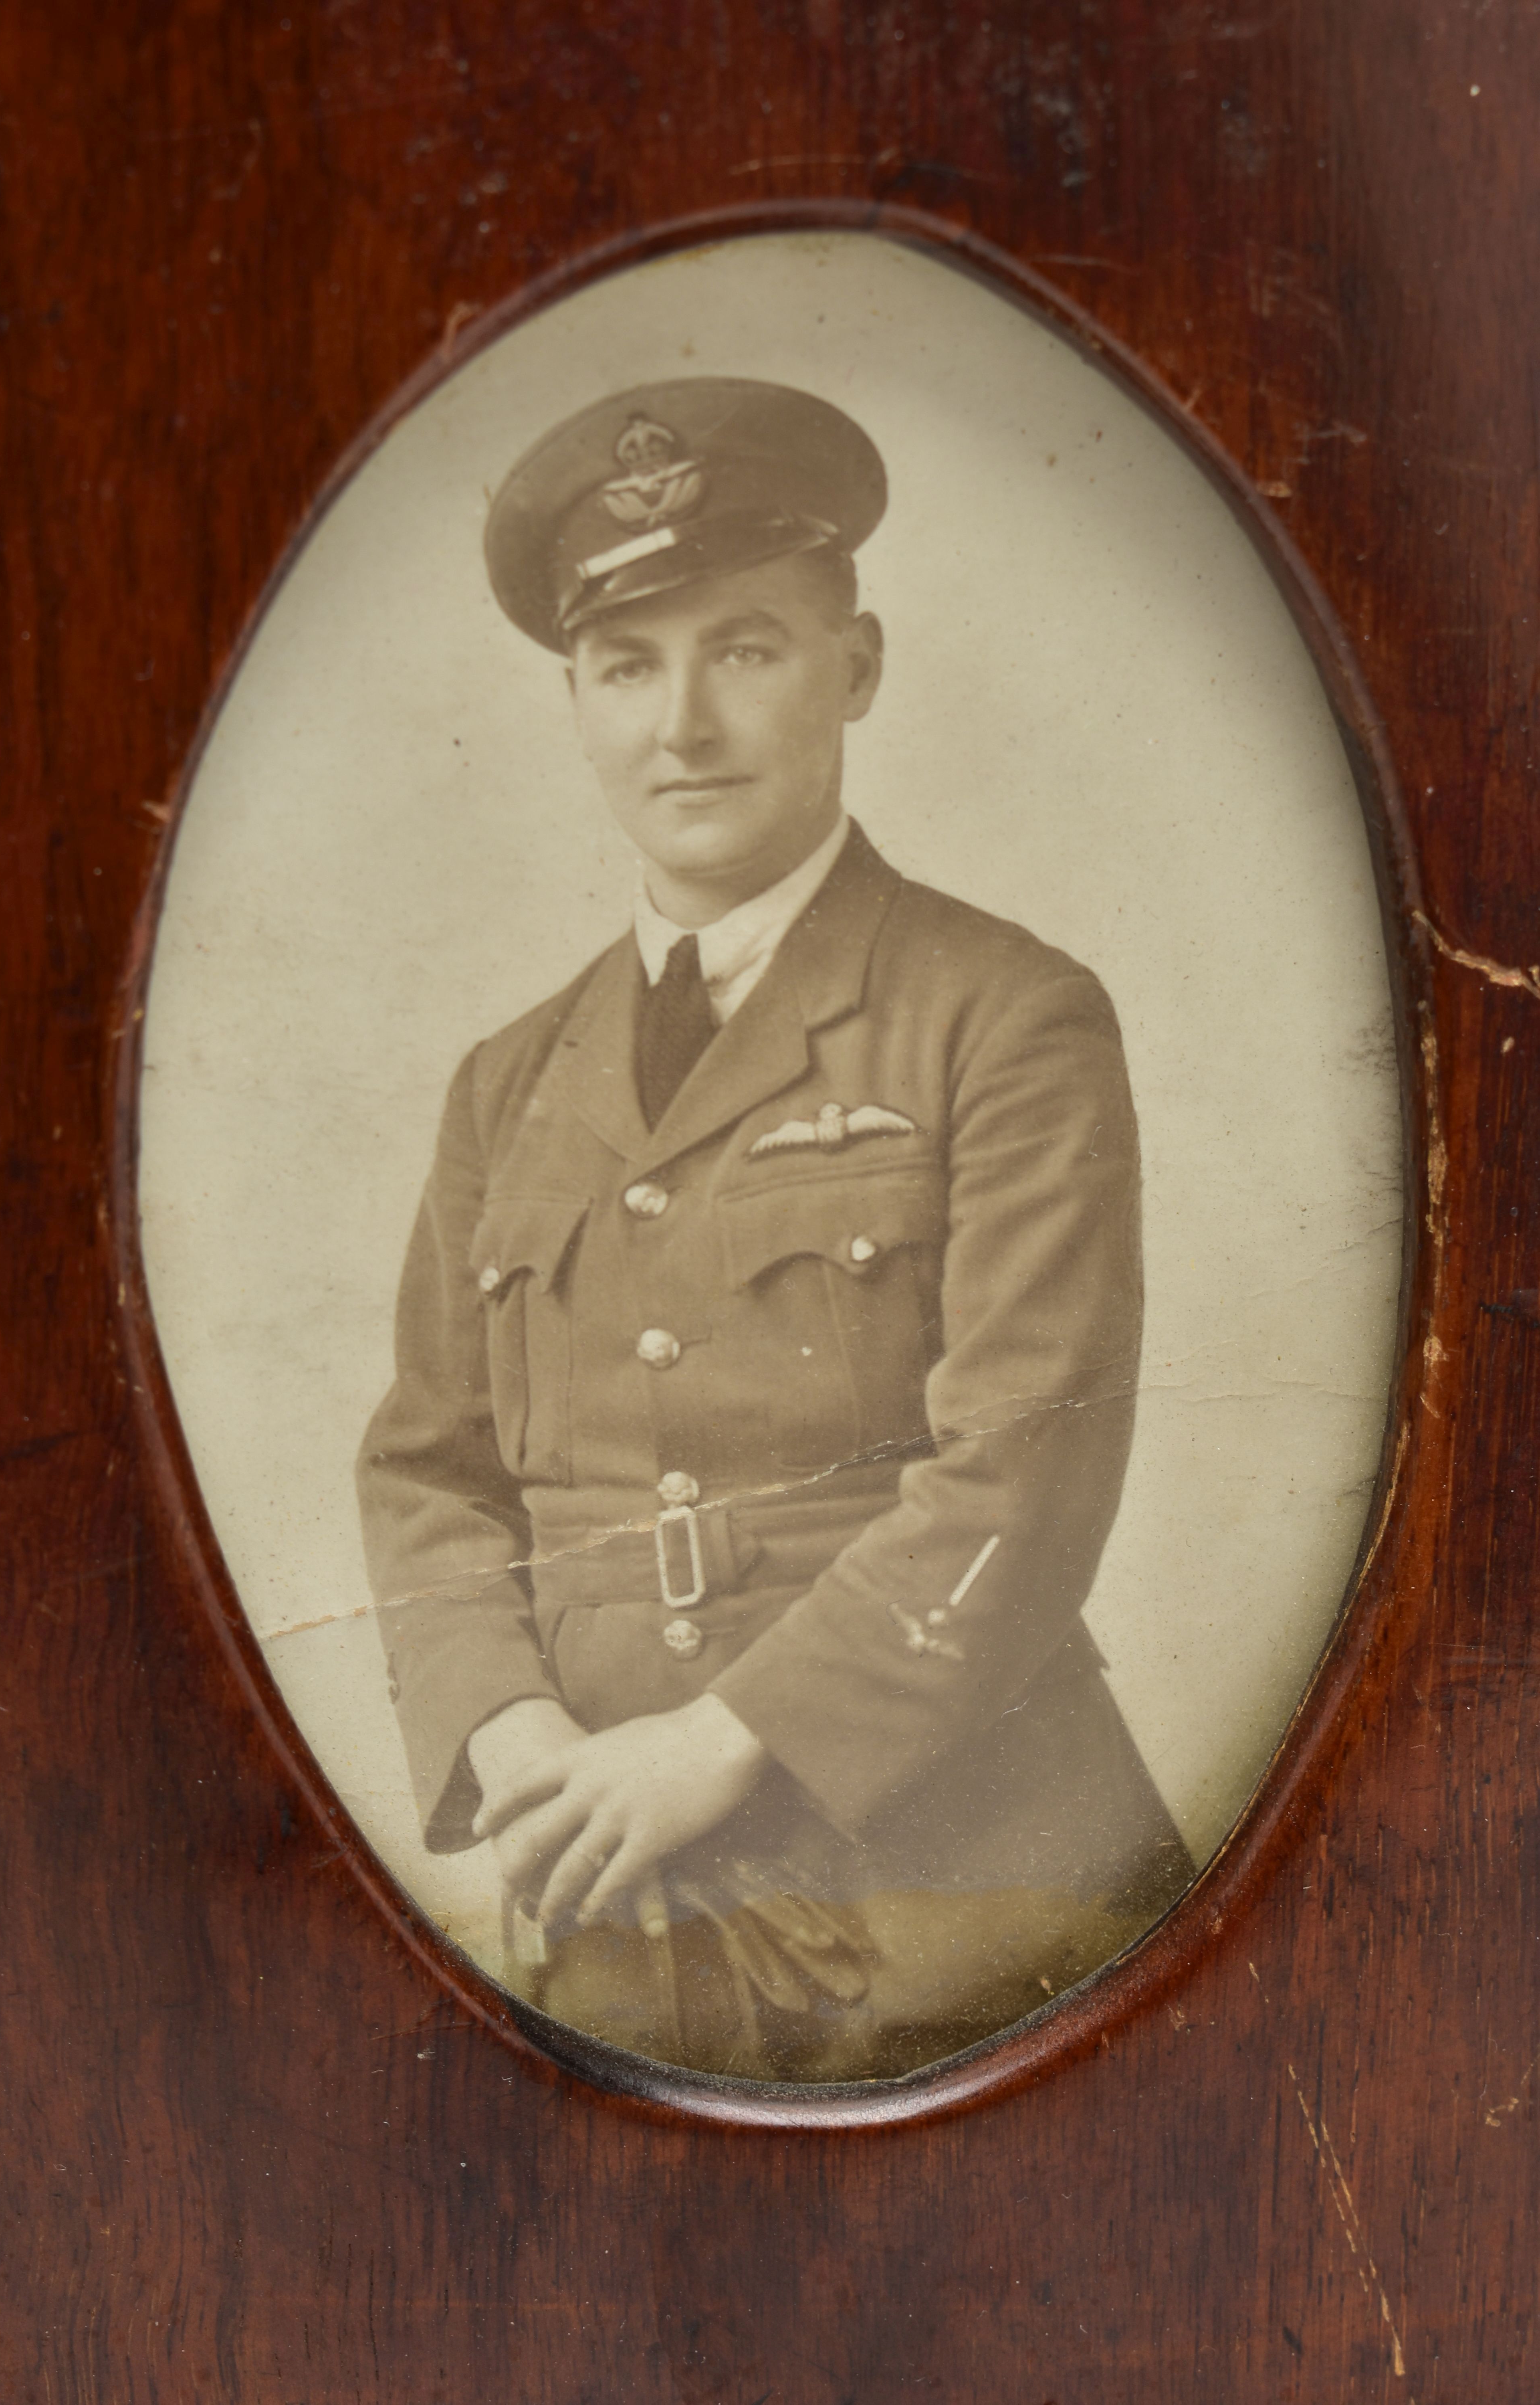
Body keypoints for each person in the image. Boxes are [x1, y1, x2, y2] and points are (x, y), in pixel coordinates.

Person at [357, 377, 1192, 2081]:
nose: (684, 727)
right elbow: (430, 1471)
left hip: (963, 1892)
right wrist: (510, 1732)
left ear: (855, 668)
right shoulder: (504, 1084)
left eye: (743, 648)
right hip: (606, 1892)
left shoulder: (1003, 1015)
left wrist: (726, 1740)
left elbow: (1027, 1454)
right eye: (624, 667)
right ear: (578, 703)